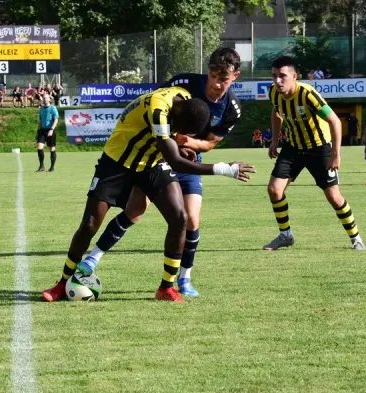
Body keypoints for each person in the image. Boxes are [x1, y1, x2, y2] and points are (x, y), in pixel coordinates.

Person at [41, 86, 255, 303]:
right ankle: (62, 283)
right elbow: (174, 161)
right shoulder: (159, 109)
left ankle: (166, 288)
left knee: (179, 217)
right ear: (177, 116)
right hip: (117, 161)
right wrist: (225, 168)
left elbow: (170, 140)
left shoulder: (185, 99)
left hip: (151, 163)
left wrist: (178, 146)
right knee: (89, 224)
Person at [75, 47, 245, 297]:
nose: (217, 84)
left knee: (191, 219)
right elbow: (158, 114)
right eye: (213, 76)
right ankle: (93, 259)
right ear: (207, 70)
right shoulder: (184, 82)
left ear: (235, 77)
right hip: (158, 155)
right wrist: (173, 142)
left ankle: (184, 279)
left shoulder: (232, 108)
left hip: (189, 160)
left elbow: (209, 143)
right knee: (135, 210)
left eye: (224, 79)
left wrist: (184, 144)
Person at [263, 56, 365, 251]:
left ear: (294, 76)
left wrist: (336, 154)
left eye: (282, 76)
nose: (277, 81)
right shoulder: (274, 93)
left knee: (334, 196)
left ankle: (356, 238)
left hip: (319, 148)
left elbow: (335, 121)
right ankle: (285, 235)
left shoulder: (307, 94)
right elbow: (276, 114)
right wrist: (275, 140)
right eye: (274, 76)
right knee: (274, 189)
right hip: (293, 147)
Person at [35, 93, 59, 172]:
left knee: (52, 148)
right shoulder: (41, 109)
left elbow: (56, 119)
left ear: (49, 99)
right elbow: (40, 121)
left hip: (50, 130)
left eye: (46, 98)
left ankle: (52, 167)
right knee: (39, 147)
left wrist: (52, 129)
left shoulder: (53, 108)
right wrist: (38, 131)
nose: (45, 99)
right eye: (44, 98)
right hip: (42, 130)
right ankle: (41, 166)